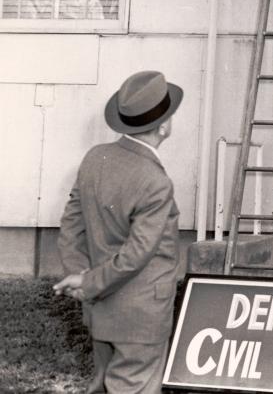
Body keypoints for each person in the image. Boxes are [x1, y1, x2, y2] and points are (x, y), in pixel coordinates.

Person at [54, 70, 184, 394]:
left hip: (101, 312)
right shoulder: (156, 182)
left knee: (104, 385)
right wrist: (87, 282)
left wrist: (79, 276)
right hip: (142, 320)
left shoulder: (95, 158)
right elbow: (136, 255)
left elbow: (72, 223)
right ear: (164, 126)